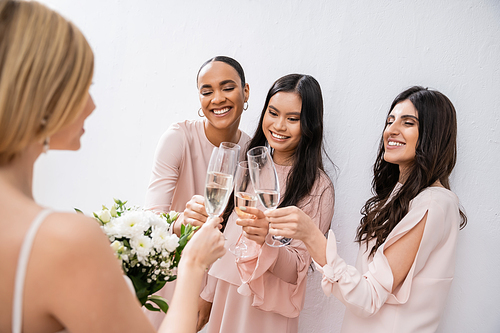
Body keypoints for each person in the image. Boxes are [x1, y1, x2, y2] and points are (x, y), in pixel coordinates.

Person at [0, 1, 225, 333]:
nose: (92, 105)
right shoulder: (63, 240)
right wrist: (194, 263)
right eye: (84, 87)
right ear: (43, 96)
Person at [267, 86, 467, 332]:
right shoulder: (402, 197)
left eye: (408, 123)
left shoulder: (434, 203)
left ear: (433, 134)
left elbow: (368, 298)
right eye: (390, 121)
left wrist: (310, 235)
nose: (391, 130)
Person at [189, 74, 335, 332]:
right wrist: (208, 293)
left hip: (267, 309)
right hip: (227, 291)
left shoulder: (318, 187)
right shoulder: (249, 163)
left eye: (293, 119)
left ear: (310, 124)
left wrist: (265, 241)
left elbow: (297, 271)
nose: (279, 125)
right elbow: (229, 235)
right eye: (273, 113)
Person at [143, 56, 251, 328]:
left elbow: (239, 237)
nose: (217, 98)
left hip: (216, 287)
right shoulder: (178, 138)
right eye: (207, 91)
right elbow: (151, 221)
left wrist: (209, 294)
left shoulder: (251, 153)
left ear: (245, 91)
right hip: (169, 275)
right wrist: (181, 222)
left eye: (227, 88)